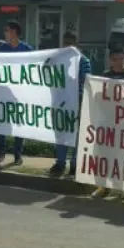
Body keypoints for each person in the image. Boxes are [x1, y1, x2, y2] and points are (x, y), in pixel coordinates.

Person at [89, 45, 124, 200]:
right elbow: (99, 96)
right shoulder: (105, 76)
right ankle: (103, 187)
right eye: (114, 59)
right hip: (107, 120)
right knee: (102, 155)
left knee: (122, 155)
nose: (118, 62)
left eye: (120, 59)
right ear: (110, 60)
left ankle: (122, 187)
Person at [0, 20, 33, 166]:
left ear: (14, 32)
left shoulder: (26, 49)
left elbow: (33, 69)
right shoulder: (3, 48)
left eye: (7, 30)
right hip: (4, 92)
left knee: (18, 124)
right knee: (2, 122)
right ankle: (0, 151)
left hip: (19, 94)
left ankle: (17, 155)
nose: (5, 33)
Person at [49, 31, 91, 178]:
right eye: (65, 43)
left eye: (70, 43)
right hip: (60, 104)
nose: (67, 46)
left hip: (77, 103)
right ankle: (60, 163)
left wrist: (77, 100)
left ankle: (74, 165)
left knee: (77, 135)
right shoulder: (56, 60)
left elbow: (85, 82)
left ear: (75, 44)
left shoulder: (83, 61)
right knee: (61, 133)